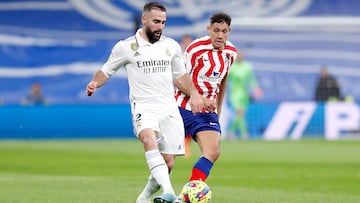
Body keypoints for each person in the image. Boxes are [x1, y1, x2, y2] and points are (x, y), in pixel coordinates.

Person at [85, 2, 203, 203]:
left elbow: (180, 76)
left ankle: (144, 197)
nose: (160, 27)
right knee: (148, 139)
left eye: (164, 22)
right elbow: (106, 71)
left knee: (168, 163)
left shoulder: (171, 46)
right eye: (156, 22)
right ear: (144, 19)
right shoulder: (125, 46)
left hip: (169, 107)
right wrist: (95, 83)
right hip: (143, 105)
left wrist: (194, 93)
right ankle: (169, 192)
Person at [174, 12, 237, 186]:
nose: (220, 35)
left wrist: (218, 110)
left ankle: (188, 193)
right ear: (208, 29)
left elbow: (223, 82)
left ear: (229, 31)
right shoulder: (195, 49)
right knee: (168, 160)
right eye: (216, 30)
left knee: (213, 152)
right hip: (183, 108)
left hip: (208, 111)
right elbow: (178, 79)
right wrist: (200, 97)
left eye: (224, 31)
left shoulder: (231, 53)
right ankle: (152, 194)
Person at [226, 50, 263, 140]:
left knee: (241, 114)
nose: (240, 56)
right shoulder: (232, 67)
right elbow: (226, 79)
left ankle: (231, 132)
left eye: (241, 55)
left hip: (244, 94)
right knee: (240, 112)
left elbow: (251, 79)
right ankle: (244, 134)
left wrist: (256, 89)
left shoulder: (247, 66)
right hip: (234, 94)